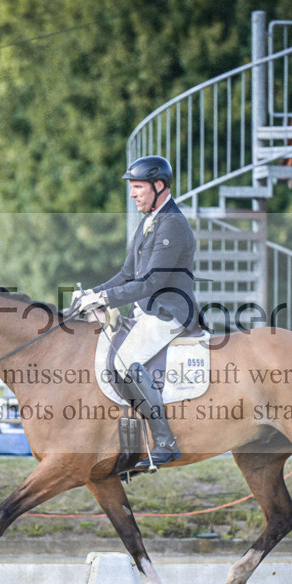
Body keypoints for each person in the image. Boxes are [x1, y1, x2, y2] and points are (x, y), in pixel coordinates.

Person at [72, 155, 201, 471]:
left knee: (124, 361)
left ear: (159, 186)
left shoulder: (172, 224)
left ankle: (166, 442)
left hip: (169, 312)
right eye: (132, 187)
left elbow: (152, 281)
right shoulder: (150, 221)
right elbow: (127, 274)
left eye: (138, 187)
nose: (132, 194)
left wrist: (106, 297)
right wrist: (92, 295)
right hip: (148, 312)